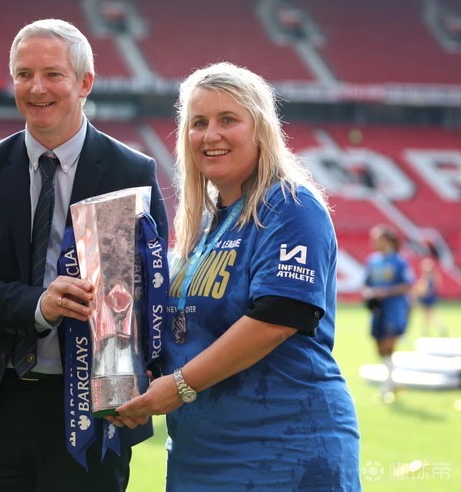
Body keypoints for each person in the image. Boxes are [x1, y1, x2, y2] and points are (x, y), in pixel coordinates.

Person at [109, 62, 361, 491]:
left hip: (286, 447)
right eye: (199, 123)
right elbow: (186, 335)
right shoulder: (204, 226)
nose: (211, 135)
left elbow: (279, 316)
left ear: (260, 129)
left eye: (228, 120)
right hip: (198, 453)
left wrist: (179, 386)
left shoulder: (290, 205)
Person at [0, 18, 168, 492]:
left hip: (96, 411)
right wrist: (39, 306)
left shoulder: (131, 171)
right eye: (24, 74)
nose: (36, 88)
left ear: (85, 82)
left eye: (52, 74)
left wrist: (148, 369)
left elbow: (154, 292)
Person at [362, 224, 414, 402]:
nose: (374, 243)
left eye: (377, 239)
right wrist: (369, 293)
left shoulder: (399, 261)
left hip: (394, 310)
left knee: (389, 345)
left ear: (387, 240)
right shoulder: (372, 260)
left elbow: (407, 285)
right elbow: (366, 283)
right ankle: (393, 381)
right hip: (377, 310)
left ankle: (387, 386)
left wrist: (386, 292)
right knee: (379, 347)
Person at [413, 256, 447, 336]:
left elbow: (425, 289)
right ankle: (428, 330)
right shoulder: (431, 277)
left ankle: (438, 328)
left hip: (428, 299)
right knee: (428, 316)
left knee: (429, 316)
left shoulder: (429, 278)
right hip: (428, 298)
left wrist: (420, 292)